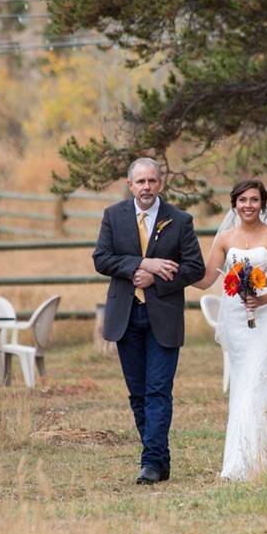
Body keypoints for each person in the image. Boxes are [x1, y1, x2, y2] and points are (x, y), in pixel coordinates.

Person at [92, 158, 205, 485]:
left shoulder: (179, 220)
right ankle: (159, 458)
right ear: (130, 185)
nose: (146, 187)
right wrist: (144, 264)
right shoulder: (114, 216)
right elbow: (102, 259)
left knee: (158, 390)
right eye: (140, 182)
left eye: (152, 181)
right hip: (126, 316)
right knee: (138, 393)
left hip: (163, 317)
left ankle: (150, 462)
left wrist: (157, 279)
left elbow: (194, 268)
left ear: (160, 184)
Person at [193, 179, 267, 480]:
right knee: (245, 384)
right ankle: (260, 454)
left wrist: (264, 298)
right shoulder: (226, 239)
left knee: (258, 379)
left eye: (254, 200)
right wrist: (179, 272)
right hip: (236, 315)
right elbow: (205, 278)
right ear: (234, 204)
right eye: (243, 200)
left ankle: (250, 462)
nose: (248, 205)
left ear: (263, 204)